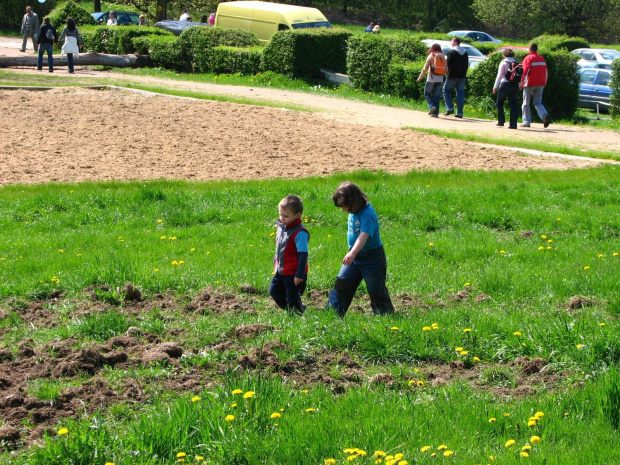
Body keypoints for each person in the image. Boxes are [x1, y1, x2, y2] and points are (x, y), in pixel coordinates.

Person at [326, 182, 394, 317]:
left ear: (354, 202)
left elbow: (364, 235)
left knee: (375, 289)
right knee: (342, 283)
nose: (343, 209)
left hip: (372, 258)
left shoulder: (368, 214)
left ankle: (384, 314)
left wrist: (352, 253)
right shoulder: (354, 210)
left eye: (344, 206)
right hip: (355, 256)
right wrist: (353, 253)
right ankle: (333, 313)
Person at [268, 195, 309, 315]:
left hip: (294, 274)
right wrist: (276, 264)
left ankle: (296, 314)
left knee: (292, 298)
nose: (282, 218)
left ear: (297, 215)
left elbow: (303, 255)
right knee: (274, 291)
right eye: (280, 214)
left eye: (285, 216)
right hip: (280, 270)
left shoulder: (300, 233)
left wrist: (299, 275)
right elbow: (279, 248)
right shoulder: (281, 227)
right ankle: (296, 309)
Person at [520, 43, 550, 128]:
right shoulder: (541, 58)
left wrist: (521, 83)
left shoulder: (528, 58)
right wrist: (544, 82)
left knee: (526, 103)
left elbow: (524, 71)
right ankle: (544, 115)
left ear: (530, 49)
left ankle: (526, 122)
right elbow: (546, 72)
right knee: (538, 102)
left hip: (529, 83)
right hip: (540, 83)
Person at [492, 48, 520, 129]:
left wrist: (495, 86)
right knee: (514, 104)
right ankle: (513, 124)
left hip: (505, 84)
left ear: (504, 55)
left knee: (500, 102)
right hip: (515, 85)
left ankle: (501, 121)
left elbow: (499, 75)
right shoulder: (517, 63)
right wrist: (520, 84)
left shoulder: (503, 63)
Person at [417, 43, 446, 118]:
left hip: (431, 78)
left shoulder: (431, 55)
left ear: (432, 49)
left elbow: (425, 68)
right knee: (437, 96)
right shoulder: (443, 56)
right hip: (440, 78)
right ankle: (435, 114)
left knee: (427, 93)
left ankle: (432, 107)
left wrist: (420, 77)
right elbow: (446, 68)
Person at [442, 36, 468, 118]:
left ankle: (450, 107)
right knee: (460, 93)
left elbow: (448, 63)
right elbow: (466, 64)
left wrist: (446, 72)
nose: (451, 43)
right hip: (462, 76)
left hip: (452, 75)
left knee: (446, 90)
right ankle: (460, 113)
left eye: (452, 41)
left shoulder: (452, 51)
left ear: (455, 42)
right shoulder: (465, 52)